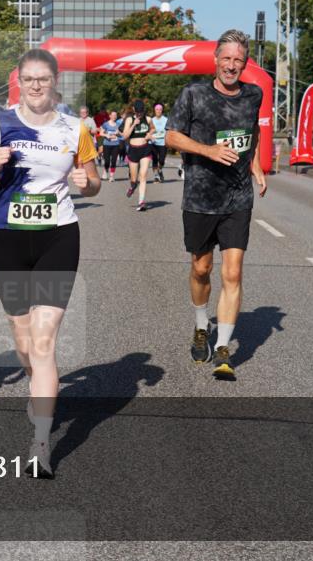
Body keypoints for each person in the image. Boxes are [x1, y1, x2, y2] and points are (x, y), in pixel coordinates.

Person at [0, 48, 100, 478]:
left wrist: (87, 183)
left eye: (44, 78)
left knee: (43, 342)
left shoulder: (75, 128)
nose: (36, 86)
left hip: (58, 236)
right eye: (29, 79)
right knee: (22, 336)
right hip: (6, 238)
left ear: (55, 81)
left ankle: (40, 444)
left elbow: (93, 182)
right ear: (19, 83)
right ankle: (36, 384)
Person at [165, 29, 267, 379]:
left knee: (233, 272)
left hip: (237, 196)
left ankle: (223, 348)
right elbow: (171, 136)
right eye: (227, 58)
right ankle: (200, 325)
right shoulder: (194, 94)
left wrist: (255, 165)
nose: (232, 65)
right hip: (200, 196)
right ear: (216, 60)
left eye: (238, 60)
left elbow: (252, 131)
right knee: (201, 268)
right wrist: (208, 150)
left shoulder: (253, 94)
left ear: (245, 63)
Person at [121, 99, 154, 212]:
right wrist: (133, 125)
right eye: (138, 112)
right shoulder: (129, 119)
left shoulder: (148, 119)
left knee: (143, 176)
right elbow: (125, 136)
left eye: (141, 111)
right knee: (134, 179)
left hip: (145, 149)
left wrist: (149, 134)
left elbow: (153, 128)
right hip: (133, 150)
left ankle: (141, 202)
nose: (140, 114)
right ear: (134, 110)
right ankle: (133, 186)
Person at [100, 110, 122, 181]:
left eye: (115, 115)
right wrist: (106, 135)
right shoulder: (106, 124)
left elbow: (122, 134)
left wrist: (118, 133)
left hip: (116, 144)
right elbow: (101, 133)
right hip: (107, 144)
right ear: (110, 116)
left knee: (114, 160)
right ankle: (105, 171)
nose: (114, 117)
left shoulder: (118, 125)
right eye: (113, 115)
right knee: (107, 161)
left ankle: (112, 176)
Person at [150, 103, 169, 182]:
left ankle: (160, 170)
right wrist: (151, 137)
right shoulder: (151, 120)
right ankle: (156, 176)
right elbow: (148, 131)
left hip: (163, 142)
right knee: (154, 160)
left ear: (162, 110)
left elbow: (169, 131)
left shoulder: (166, 120)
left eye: (160, 109)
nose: (158, 111)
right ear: (154, 110)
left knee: (161, 160)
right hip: (153, 143)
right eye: (157, 109)